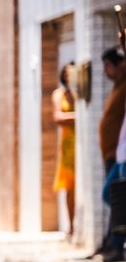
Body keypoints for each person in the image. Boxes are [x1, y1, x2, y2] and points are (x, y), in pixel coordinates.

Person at [98, 47, 126, 261]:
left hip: (121, 153)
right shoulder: (117, 88)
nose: (106, 71)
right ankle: (112, 243)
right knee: (116, 197)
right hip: (117, 153)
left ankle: (116, 245)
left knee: (114, 194)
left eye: (109, 65)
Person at [51, 63, 76, 237]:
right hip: (68, 144)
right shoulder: (59, 95)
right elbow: (58, 116)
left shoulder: (77, 94)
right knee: (70, 186)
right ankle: (71, 226)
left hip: (80, 141)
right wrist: (77, 116)